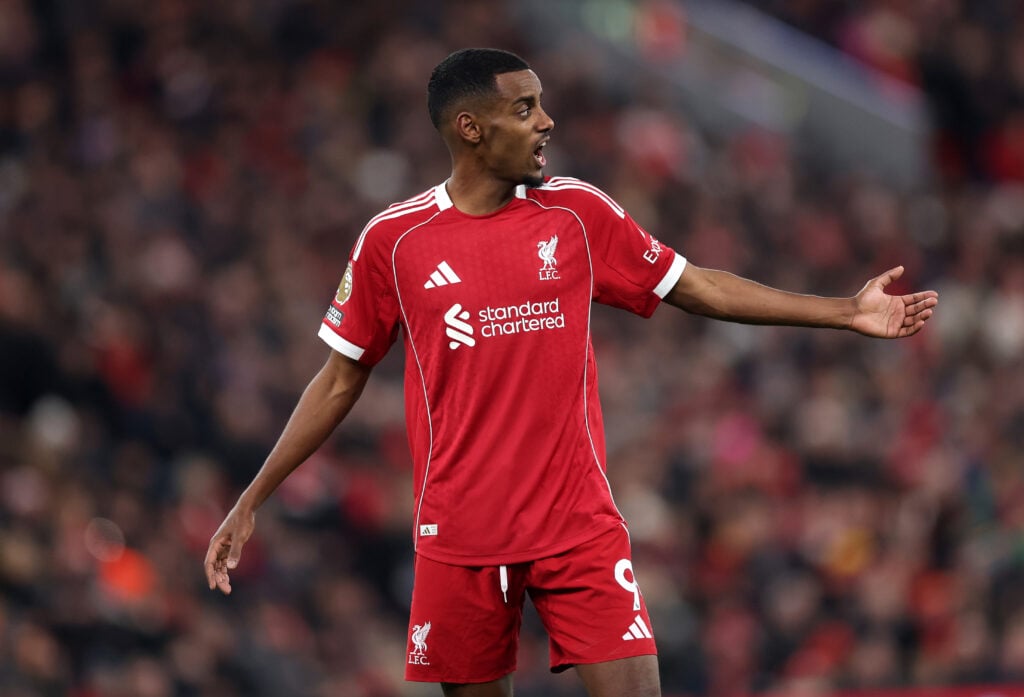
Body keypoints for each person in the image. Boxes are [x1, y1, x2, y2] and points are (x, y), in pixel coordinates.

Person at [204, 48, 938, 697]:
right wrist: (253, 497)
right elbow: (338, 380)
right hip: (459, 534)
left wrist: (846, 311)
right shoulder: (395, 242)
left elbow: (698, 286)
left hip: (576, 524)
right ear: (471, 129)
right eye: (525, 108)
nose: (547, 122)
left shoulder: (577, 214)